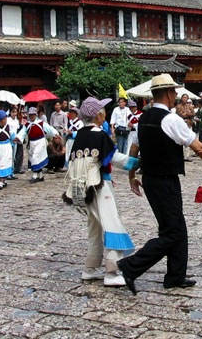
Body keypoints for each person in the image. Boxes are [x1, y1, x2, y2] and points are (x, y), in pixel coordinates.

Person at [117, 74, 202, 295]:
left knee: (177, 227)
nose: (175, 95)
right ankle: (131, 265)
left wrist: (131, 176)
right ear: (167, 93)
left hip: (150, 178)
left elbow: (134, 149)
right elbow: (199, 147)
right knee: (172, 232)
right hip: (165, 179)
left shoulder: (143, 119)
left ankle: (175, 276)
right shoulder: (171, 119)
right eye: (174, 92)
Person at [62, 97, 139, 287]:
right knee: (111, 225)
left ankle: (90, 268)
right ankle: (112, 271)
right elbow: (116, 159)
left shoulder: (80, 134)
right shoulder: (100, 135)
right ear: (98, 115)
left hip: (83, 188)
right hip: (99, 186)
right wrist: (136, 163)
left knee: (94, 227)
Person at [17, 107, 59, 183]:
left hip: (40, 142)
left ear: (36, 115)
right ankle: (41, 175)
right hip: (32, 143)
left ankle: (35, 175)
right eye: (30, 115)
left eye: (33, 114)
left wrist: (55, 133)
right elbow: (22, 132)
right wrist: (18, 138)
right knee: (34, 158)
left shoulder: (41, 123)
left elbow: (49, 128)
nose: (31, 116)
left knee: (35, 157)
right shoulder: (27, 124)